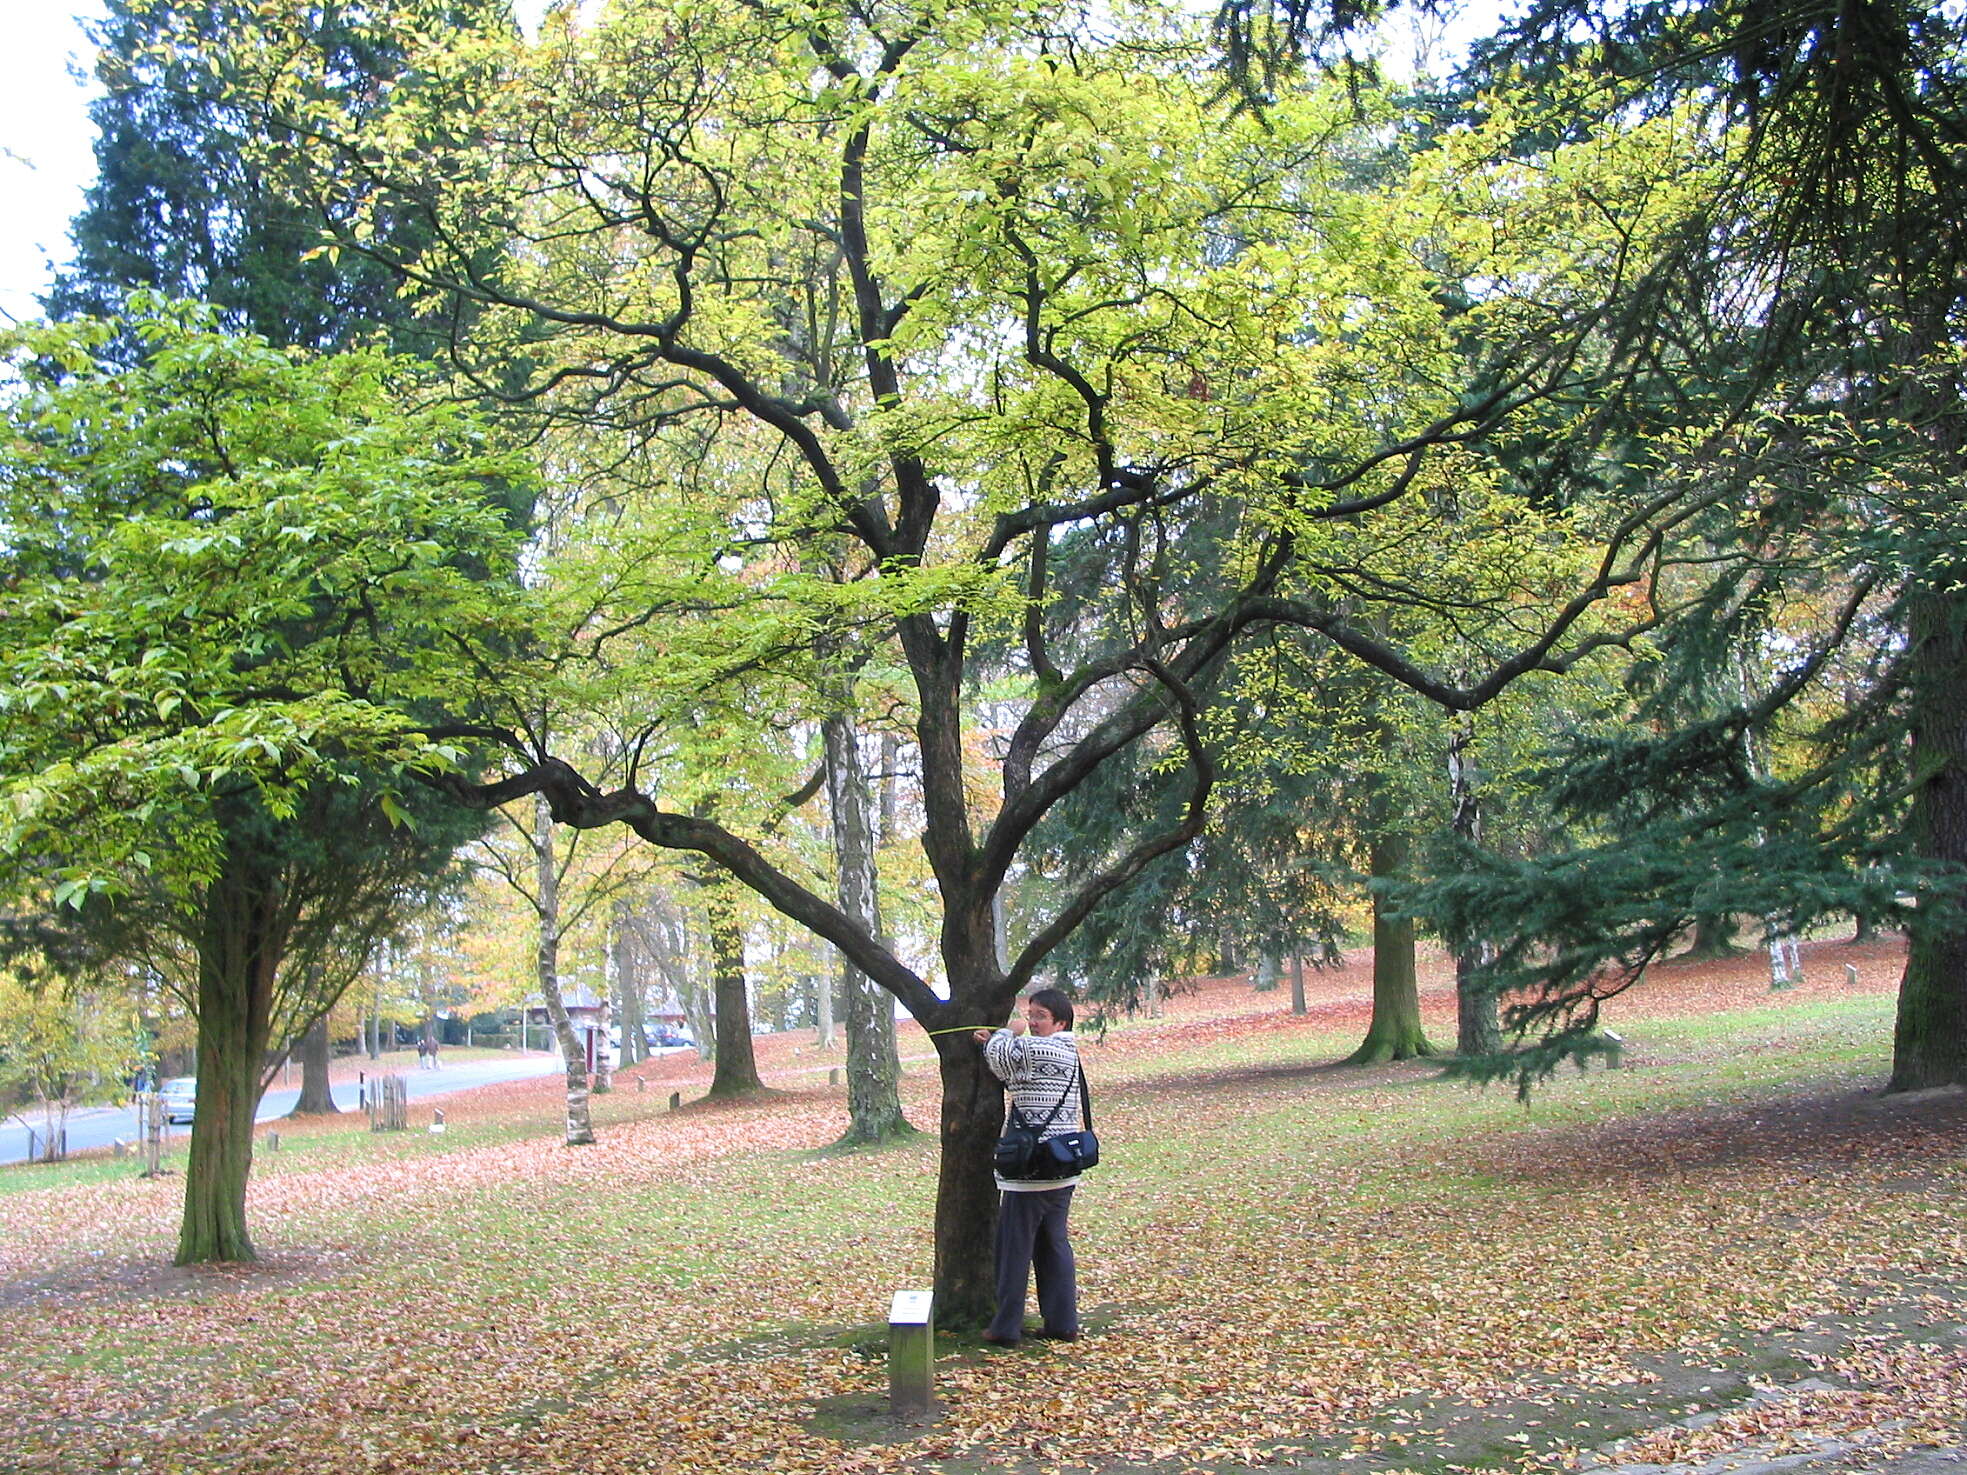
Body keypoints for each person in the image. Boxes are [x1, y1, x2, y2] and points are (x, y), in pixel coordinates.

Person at [971, 987, 1084, 1347]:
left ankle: (1005, 1327)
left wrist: (1002, 1034)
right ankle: (1063, 1322)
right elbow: (1016, 1071)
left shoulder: (1035, 1049)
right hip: (1063, 1165)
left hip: (1029, 1172)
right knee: (1055, 1246)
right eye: (1030, 1014)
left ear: (1060, 1022)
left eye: (1040, 1017)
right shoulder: (1070, 1049)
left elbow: (1001, 1059)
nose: (1032, 1021)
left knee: (1013, 1249)